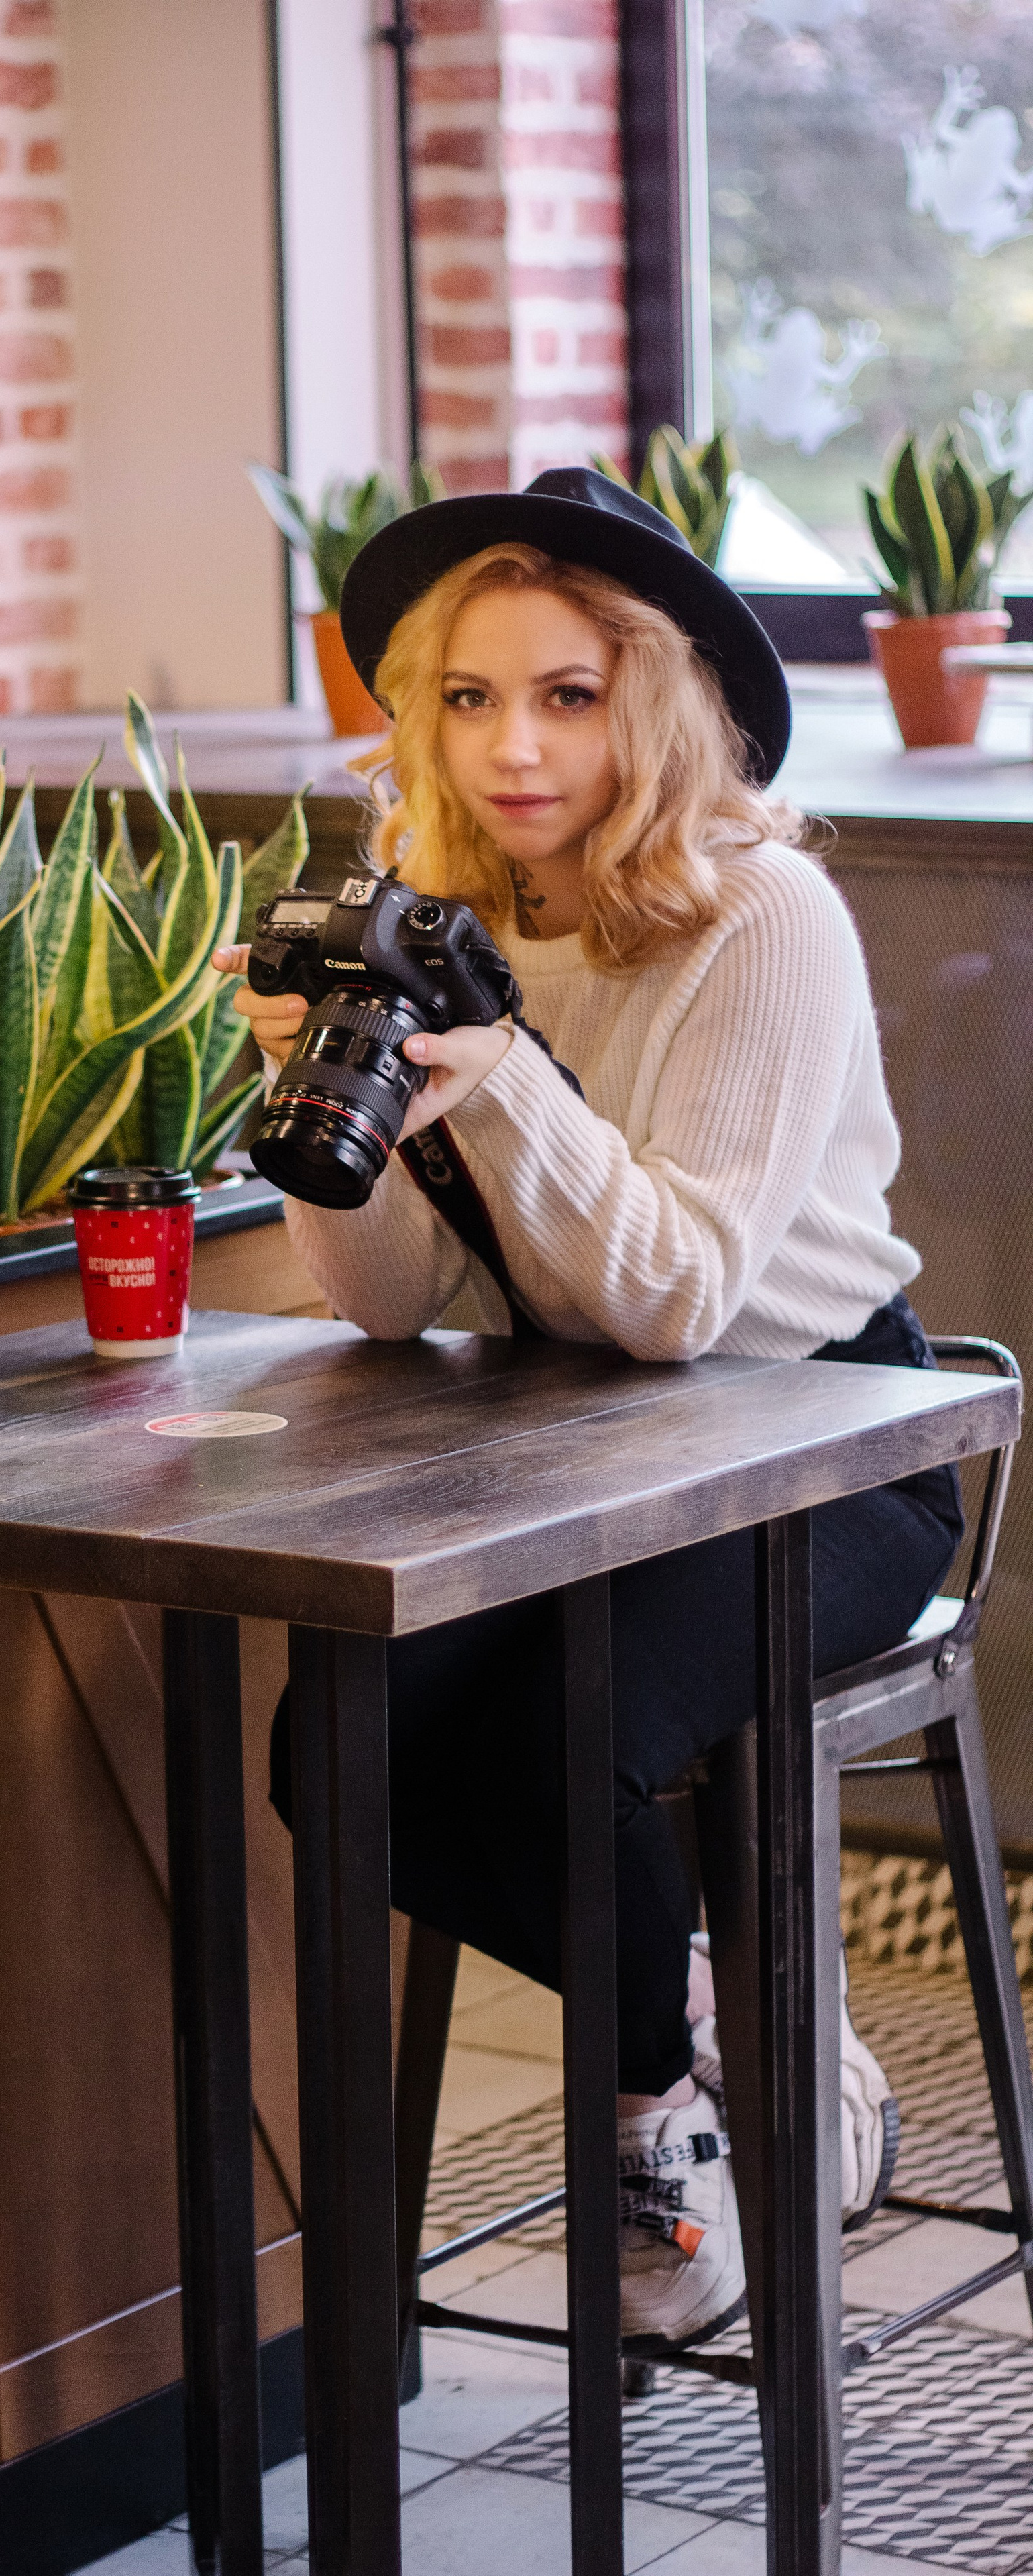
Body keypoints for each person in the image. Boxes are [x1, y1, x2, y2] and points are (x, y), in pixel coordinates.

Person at [213, 468, 964, 2356]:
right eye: (469, 698)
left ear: (658, 702)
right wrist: (335, 1105)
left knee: (562, 1733)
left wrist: (501, 1080)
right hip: (564, 1451)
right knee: (338, 1749)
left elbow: (681, 1300)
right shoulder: (439, 919)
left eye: (565, 694)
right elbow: (398, 1314)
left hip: (814, 1443)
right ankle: (724, 2022)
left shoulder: (759, 916)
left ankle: (647, 2127)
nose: (513, 745)